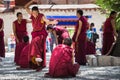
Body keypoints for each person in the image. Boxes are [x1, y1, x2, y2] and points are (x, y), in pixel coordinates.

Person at [25, 0, 58, 71]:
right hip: (34, 33)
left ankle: (38, 57)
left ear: (38, 12)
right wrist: (32, 1)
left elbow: (47, 21)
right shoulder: (32, 15)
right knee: (37, 49)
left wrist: (52, 22)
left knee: (34, 42)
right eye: (33, 13)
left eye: (35, 13)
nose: (34, 14)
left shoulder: (41, 16)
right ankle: (38, 65)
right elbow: (26, 7)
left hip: (41, 34)